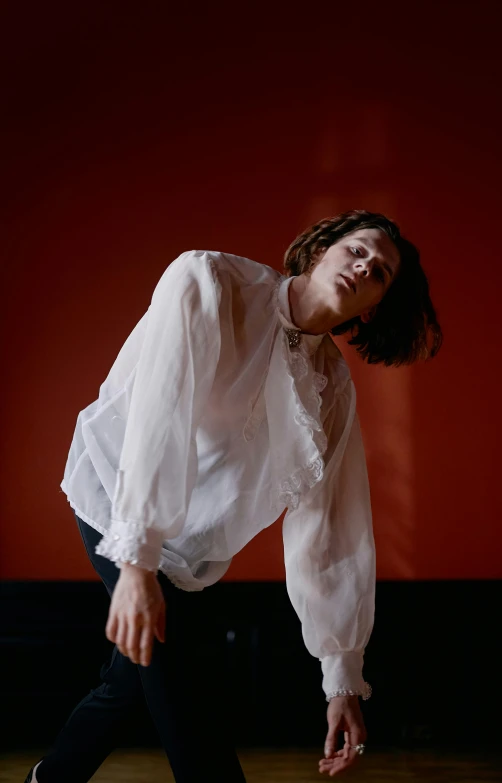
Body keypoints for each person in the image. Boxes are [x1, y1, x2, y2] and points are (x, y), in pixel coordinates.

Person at [26, 209, 442, 782]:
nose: (364, 265)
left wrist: (341, 679)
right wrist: (137, 563)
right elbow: (159, 414)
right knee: (180, 690)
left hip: (192, 548)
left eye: (379, 273)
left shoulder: (332, 389)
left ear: (371, 308)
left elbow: (331, 525)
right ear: (321, 250)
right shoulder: (207, 280)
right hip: (119, 494)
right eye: (358, 250)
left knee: (129, 682)